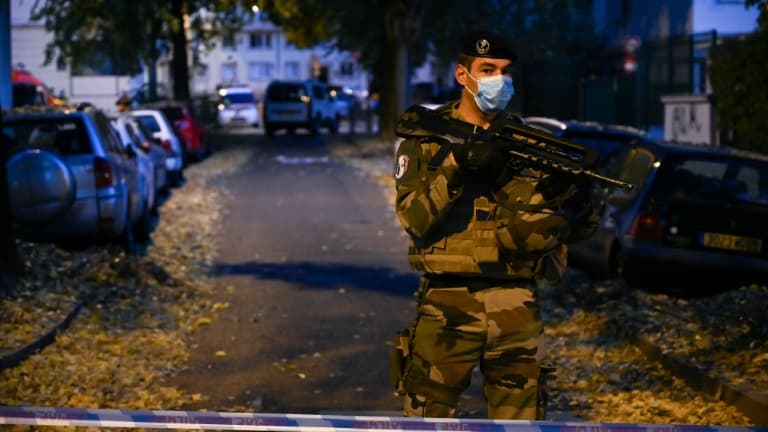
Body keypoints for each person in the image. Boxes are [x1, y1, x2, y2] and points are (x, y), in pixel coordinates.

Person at [392, 30, 597, 420]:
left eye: (504, 72)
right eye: (487, 69)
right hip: (447, 302)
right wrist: (456, 164)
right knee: (427, 420)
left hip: (516, 302)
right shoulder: (426, 141)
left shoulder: (532, 145)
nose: (497, 80)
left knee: (522, 422)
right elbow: (413, 219)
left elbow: (577, 231)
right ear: (461, 75)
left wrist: (571, 200)